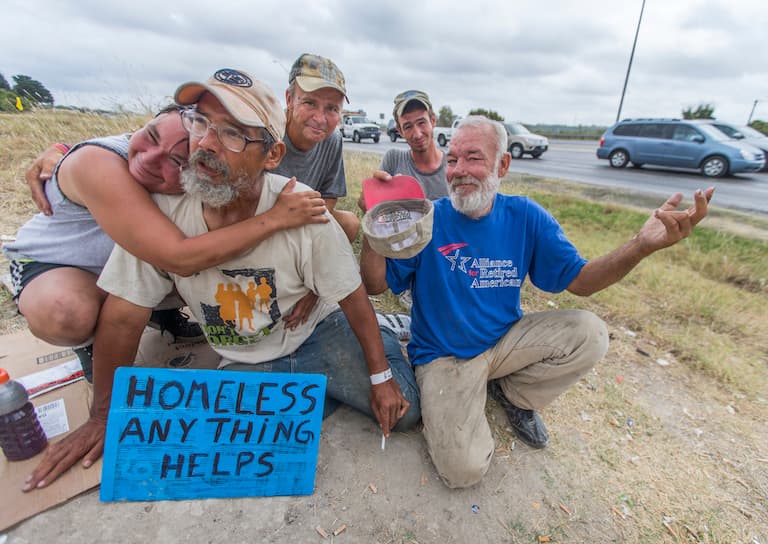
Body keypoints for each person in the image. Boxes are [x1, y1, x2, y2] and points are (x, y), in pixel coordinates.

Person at [24, 69, 420, 491]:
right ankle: (306, 392)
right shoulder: (164, 213)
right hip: (244, 358)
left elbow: (353, 295)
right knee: (212, 438)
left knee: (405, 411)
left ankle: (378, 340)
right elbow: (123, 315)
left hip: (316, 332)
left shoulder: (302, 209)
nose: (206, 144)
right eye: (200, 123)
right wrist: (102, 416)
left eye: (232, 134)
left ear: (271, 156)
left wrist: (380, 378)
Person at [359, 115, 714, 489]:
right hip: (444, 356)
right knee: (463, 471)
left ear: (503, 165)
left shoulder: (526, 216)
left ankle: (513, 394)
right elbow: (375, 284)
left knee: (589, 332)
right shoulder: (430, 219)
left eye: (474, 158)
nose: (460, 170)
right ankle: (468, 396)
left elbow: (581, 282)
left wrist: (639, 247)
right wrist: (375, 227)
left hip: (504, 342)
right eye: (453, 160)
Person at [5, 104, 328, 377]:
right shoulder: (98, 163)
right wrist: (275, 219)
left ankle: (161, 313)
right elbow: (177, 257)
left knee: (224, 255)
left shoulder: (207, 177)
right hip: (63, 266)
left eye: (176, 162)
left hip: (147, 261)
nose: (147, 158)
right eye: (149, 136)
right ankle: (90, 342)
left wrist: (313, 281)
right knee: (67, 312)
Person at [273, 53, 360, 243]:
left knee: (350, 223)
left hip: (306, 218)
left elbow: (328, 199)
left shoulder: (333, 139)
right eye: (310, 103)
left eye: (331, 109)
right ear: (289, 99)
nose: (320, 119)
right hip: (265, 219)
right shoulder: (269, 132)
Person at [377, 89, 449, 200]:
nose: (417, 134)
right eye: (408, 127)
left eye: (421, 123)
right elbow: (380, 210)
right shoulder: (394, 160)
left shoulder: (453, 166)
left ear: (433, 121)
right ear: (400, 131)